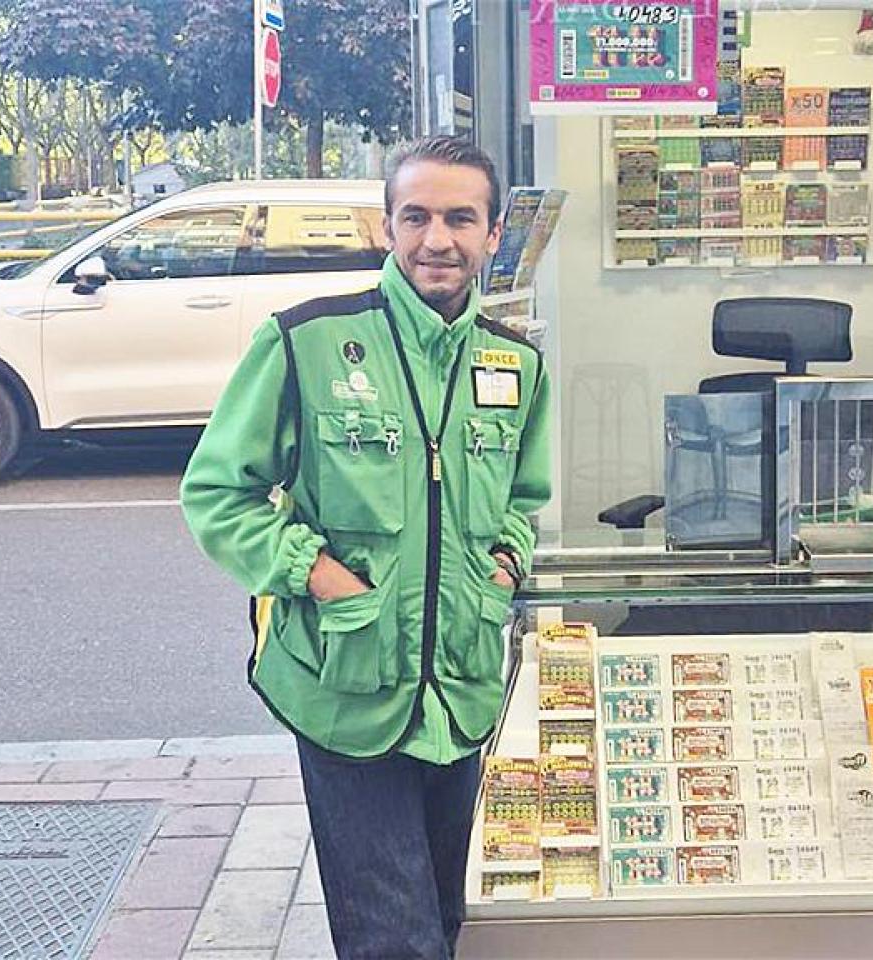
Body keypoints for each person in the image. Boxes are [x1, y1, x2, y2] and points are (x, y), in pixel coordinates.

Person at [181, 136, 550, 959]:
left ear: (495, 235)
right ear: (386, 227)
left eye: (461, 218)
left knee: (445, 924)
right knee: (395, 940)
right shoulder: (307, 342)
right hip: (346, 690)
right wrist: (315, 574)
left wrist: (503, 563)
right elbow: (216, 494)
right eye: (415, 216)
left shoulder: (515, 362)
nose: (437, 239)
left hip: (460, 691)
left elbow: (524, 500)